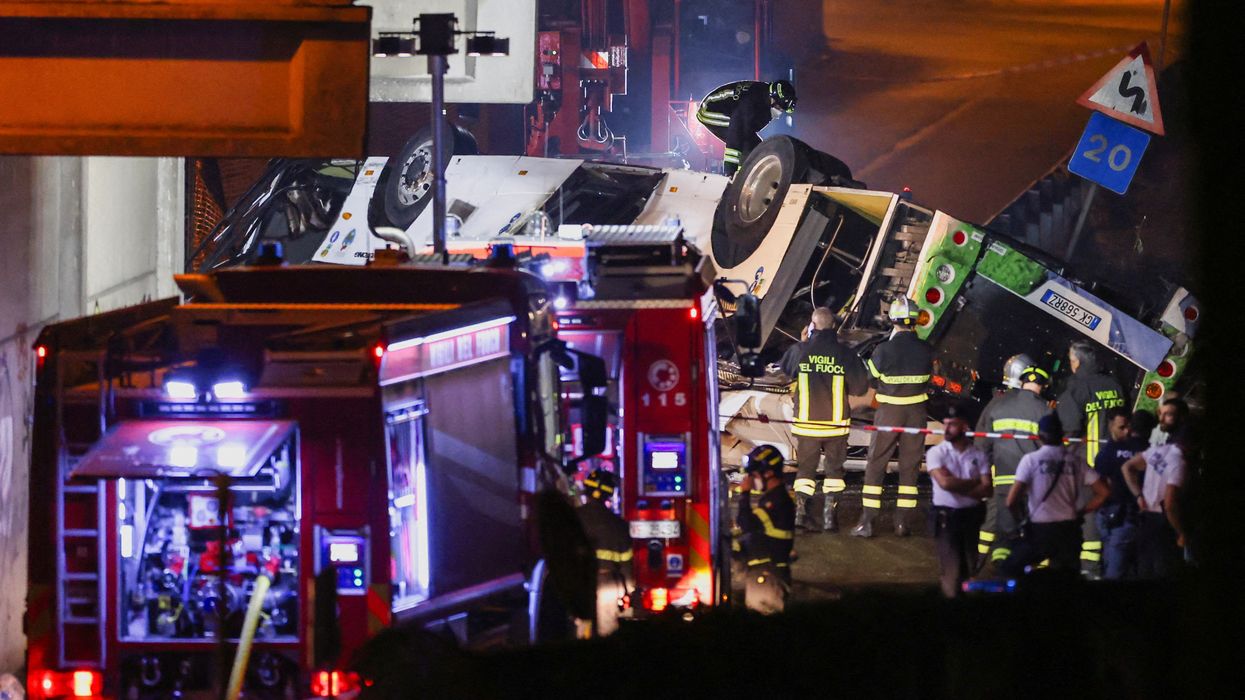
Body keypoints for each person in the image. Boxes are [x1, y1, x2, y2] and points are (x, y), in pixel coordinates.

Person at [780, 307, 868, 532]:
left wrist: (803, 343)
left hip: (807, 424)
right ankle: (830, 518)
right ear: (833, 326)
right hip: (836, 426)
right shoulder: (846, 354)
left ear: (812, 325)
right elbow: (860, 388)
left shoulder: (800, 350)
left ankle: (800, 515)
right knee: (834, 471)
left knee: (805, 471)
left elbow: (786, 370)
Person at [852, 297, 933, 538]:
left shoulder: (883, 350)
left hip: (889, 413)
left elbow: (870, 379)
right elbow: (930, 378)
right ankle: (902, 523)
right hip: (917, 414)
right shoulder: (927, 349)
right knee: (910, 467)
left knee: (877, 463)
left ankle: (867, 522)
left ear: (893, 320)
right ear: (915, 322)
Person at [999, 414, 1110, 576]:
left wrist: (1021, 521)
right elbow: (1104, 492)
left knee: (1010, 568)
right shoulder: (1076, 461)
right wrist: (1082, 511)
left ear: (1039, 436)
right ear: (1062, 434)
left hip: (1040, 531)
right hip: (1069, 531)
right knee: (1066, 578)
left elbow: (1010, 502)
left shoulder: (1031, 460)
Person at [1055, 340, 1126, 577]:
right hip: (1118, 464)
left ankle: (1090, 571)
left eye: (1071, 360)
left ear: (1078, 362)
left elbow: (1068, 430)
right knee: (1116, 518)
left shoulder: (1075, 388)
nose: (1071, 364)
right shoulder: (1114, 384)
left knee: (1090, 521)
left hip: (1090, 467)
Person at [974, 358, 1050, 568]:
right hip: (1033, 483)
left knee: (995, 524)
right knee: (1034, 526)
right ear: (1042, 385)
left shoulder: (998, 404)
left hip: (1002, 479)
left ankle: (979, 566)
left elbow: (982, 442)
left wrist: (982, 474)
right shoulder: (1045, 410)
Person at [926, 411, 992, 597]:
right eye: (945, 423)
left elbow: (988, 489)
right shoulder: (936, 453)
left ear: (965, 427)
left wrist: (956, 483)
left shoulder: (978, 455)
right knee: (951, 570)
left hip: (971, 517)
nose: (946, 428)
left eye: (952, 424)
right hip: (946, 517)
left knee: (970, 568)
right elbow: (944, 483)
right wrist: (974, 484)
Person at [1122, 399, 1189, 579]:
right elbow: (1170, 504)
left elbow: (1127, 467)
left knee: (1145, 571)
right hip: (1164, 525)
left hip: (1146, 521)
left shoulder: (1157, 451)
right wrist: (1181, 532)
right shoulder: (1178, 461)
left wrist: (1139, 496)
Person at [1093, 408, 1156, 579]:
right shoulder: (1149, 453)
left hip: (1108, 513)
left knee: (1111, 560)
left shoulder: (1109, 450)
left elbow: (1099, 479)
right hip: (1130, 515)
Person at [735, 445, 795, 613]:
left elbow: (746, 523)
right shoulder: (772, 498)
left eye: (753, 475)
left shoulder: (777, 501)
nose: (751, 480)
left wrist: (744, 494)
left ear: (768, 473)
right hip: (766, 574)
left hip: (769, 577)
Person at [695, 79, 796, 176]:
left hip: (733, 114)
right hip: (709, 110)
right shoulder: (751, 101)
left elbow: (750, 133)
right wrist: (730, 171)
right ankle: (734, 176)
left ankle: (744, 174)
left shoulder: (764, 103)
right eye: (778, 107)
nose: (779, 112)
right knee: (739, 136)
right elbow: (735, 134)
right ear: (772, 98)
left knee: (756, 146)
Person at [575, 468, 633, 636]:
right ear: (609, 495)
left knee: (582, 632)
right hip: (608, 587)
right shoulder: (619, 525)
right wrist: (627, 591)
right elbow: (626, 566)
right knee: (607, 635)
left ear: (587, 490)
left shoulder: (573, 518)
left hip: (580, 585)